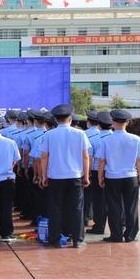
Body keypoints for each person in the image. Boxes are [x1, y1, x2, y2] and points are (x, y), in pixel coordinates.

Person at [40, 104, 91, 248]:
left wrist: (44, 176)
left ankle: (54, 240)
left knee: (55, 208)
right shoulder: (80, 134)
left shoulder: (49, 135)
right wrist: (86, 176)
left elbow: (44, 157)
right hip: (75, 175)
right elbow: (85, 156)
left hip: (55, 176)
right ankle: (77, 240)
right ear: (70, 118)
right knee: (76, 208)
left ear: (55, 120)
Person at [97, 109, 140, 243]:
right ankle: (130, 235)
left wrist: (100, 177)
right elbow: (139, 160)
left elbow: (102, 161)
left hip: (112, 177)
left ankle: (116, 235)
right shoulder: (136, 139)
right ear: (128, 122)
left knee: (114, 207)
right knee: (131, 206)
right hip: (130, 176)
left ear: (113, 122)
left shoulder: (107, 140)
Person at [86, 112, 113, 235]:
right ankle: (119, 226)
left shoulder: (93, 139)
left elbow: (89, 158)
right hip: (114, 172)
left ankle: (99, 226)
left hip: (98, 171)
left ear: (99, 125)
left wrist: (88, 173)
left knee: (99, 201)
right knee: (115, 201)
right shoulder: (115, 137)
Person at [83, 110, 100, 226]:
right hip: (104, 170)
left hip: (91, 169)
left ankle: (85, 218)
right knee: (100, 197)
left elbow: (88, 157)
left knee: (87, 196)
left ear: (88, 122)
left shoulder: (84, 134)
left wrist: (86, 173)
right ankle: (96, 218)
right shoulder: (104, 134)